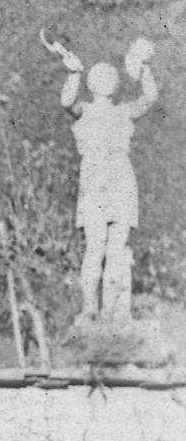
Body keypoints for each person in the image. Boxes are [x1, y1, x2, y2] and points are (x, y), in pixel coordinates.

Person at [42, 32, 158, 325]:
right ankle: (91, 309)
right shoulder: (88, 111)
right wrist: (73, 74)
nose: (105, 81)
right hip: (98, 180)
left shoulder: (121, 112)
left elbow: (149, 99)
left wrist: (143, 66)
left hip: (116, 180)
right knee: (97, 248)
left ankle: (109, 311)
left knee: (111, 249)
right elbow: (67, 101)